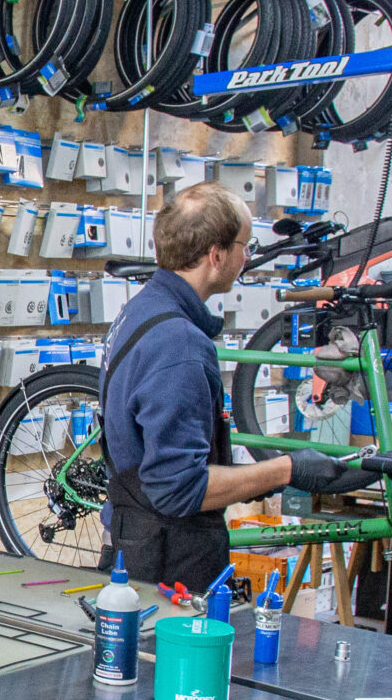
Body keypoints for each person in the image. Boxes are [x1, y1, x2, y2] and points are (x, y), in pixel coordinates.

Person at [100, 183, 372, 590]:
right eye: (246, 245)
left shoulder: (140, 309)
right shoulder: (180, 345)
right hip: (166, 560)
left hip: (134, 541)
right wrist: (287, 469)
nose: (248, 256)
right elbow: (179, 489)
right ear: (216, 255)